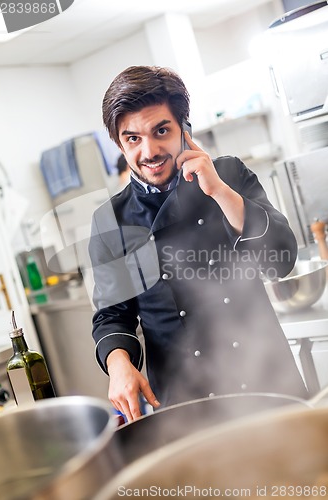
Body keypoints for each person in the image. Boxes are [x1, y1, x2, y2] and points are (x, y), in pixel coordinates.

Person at [89, 65, 308, 422]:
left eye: (161, 131)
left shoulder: (230, 174)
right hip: (185, 402)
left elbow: (281, 259)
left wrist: (220, 191)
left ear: (183, 129)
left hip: (267, 380)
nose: (149, 151)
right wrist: (118, 364)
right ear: (119, 143)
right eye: (133, 139)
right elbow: (113, 315)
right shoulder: (110, 219)